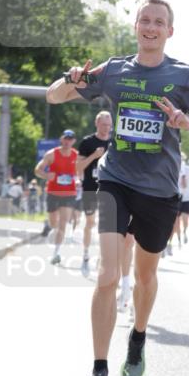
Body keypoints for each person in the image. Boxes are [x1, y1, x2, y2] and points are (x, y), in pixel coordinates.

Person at [46, 0, 189, 376]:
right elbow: (54, 96)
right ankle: (98, 372)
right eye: (145, 20)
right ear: (136, 26)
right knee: (108, 274)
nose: (151, 27)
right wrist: (71, 78)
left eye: (159, 22)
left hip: (159, 190)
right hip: (115, 180)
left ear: (169, 31)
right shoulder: (114, 70)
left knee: (144, 277)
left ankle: (138, 334)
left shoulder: (183, 76)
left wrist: (187, 122)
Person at [34, 131, 79, 264]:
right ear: (61, 139)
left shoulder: (77, 156)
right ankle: (53, 229)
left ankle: (56, 253)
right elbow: (37, 169)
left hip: (69, 194)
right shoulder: (52, 154)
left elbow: (81, 173)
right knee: (54, 223)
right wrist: (46, 175)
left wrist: (78, 180)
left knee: (62, 223)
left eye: (70, 139)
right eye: (65, 139)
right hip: (53, 193)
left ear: (74, 141)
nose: (67, 142)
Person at [77, 110, 113, 274]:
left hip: (110, 189)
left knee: (106, 226)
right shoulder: (87, 142)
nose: (107, 128)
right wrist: (94, 156)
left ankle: (101, 258)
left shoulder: (114, 142)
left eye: (109, 125)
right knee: (90, 223)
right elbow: (78, 167)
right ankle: (85, 254)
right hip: (90, 188)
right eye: (104, 125)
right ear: (97, 123)